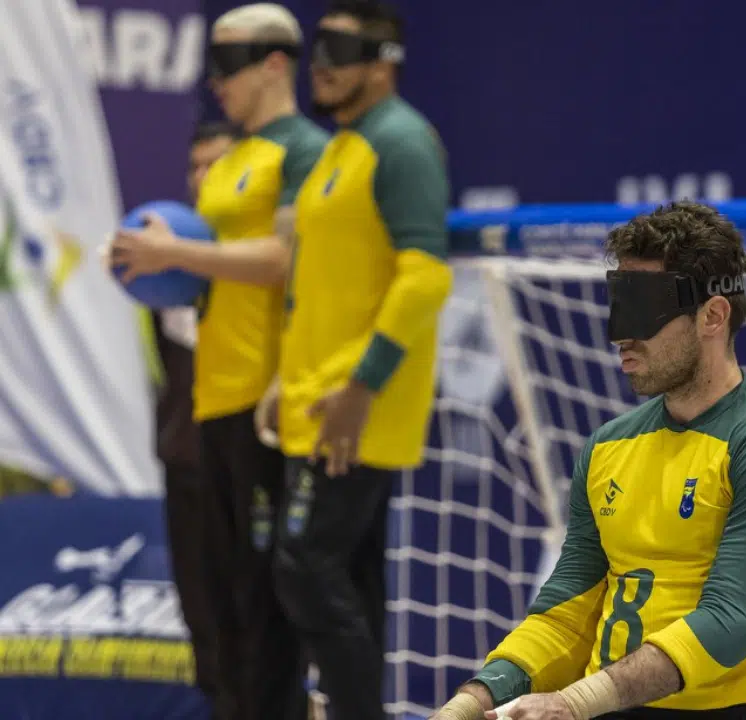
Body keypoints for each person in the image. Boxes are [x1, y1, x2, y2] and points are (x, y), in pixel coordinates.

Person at [431, 202, 746, 720]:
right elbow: (565, 617)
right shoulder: (608, 446)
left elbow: (731, 620)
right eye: (618, 303)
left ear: (713, 316)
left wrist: (574, 701)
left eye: (642, 308)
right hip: (603, 708)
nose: (620, 335)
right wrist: (467, 704)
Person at [109, 4, 329, 719]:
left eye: (229, 64)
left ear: (275, 64)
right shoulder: (228, 163)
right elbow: (209, 275)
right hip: (213, 399)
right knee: (220, 609)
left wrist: (171, 252)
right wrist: (152, 262)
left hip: (270, 401)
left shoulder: (302, 149)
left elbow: (285, 259)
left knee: (268, 610)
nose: (216, 81)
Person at [258, 2, 450, 718]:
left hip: (353, 405)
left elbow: (424, 276)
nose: (321, 66)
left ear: (384, 62)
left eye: (340, 50)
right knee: (352, 576)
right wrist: (287, 375)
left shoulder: (401, 142)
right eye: (318, 49)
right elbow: (321, 283)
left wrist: (361, 385)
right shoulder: (343, 146)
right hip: (319, 394)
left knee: (304, 566)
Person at [154, 119, 237, 714]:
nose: (203, 177)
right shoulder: (162, 254)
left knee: (255, 618)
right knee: (201, 617)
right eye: (195, 167)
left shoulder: (265, 254)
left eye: (217, 164)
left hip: (245, 459)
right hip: (185, 459)